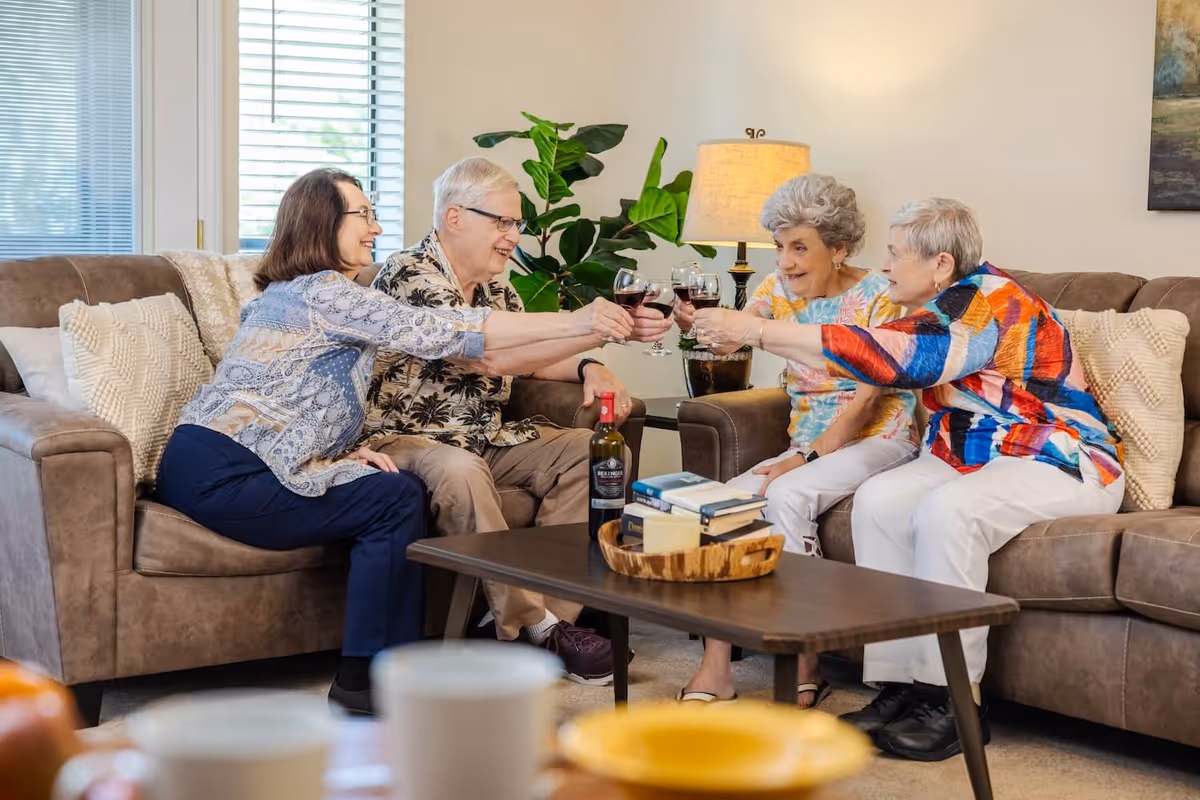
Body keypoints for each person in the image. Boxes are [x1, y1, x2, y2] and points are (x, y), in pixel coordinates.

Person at [155, 167, 637, 715]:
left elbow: (299, 405)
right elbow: (448, 334)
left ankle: (398, 668)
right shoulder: (327, 292)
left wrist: (337, 457)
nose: (376, 229)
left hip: (225, 460)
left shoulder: (302, 293)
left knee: (384, 488)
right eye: (362, 215)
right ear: (320, 222)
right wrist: (582, 320)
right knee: (393, 498)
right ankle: (372, 678)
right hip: (225, 467)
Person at [693, 197, 1124, 761]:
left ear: (940, 263)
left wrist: (754, 329)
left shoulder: (988, 302)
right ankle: (902, 686)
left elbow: (888, 357)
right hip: (966, 452)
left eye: (896, 255)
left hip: (1055, 456)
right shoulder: (937, 303)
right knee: (881, 499)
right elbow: (860, 350)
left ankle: (956, 700)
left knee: (951, 511)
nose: (887, 266)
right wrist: (751, 332)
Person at [362, 157, 672, 685]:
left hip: (485, 437)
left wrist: (591, 361)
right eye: (501, 222)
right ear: (454, 217)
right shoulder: (408, 273)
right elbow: (484, 354)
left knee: (594, 452)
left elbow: (533, 354)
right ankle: (539, 630)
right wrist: (594, 327)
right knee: (461, 471)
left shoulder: (494, 287)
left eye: (517, 225)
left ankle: (540, 626)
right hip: (407, 439)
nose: (512, 238)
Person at [672, 174, 917, 708]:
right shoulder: (775, 291)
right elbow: (726, 342)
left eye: (799, 248)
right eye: (780, 247)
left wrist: (803, 459)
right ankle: (715, 667)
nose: (784, 262)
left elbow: (871, 398)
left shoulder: (880, 296)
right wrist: (698, 325)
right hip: (805, 441)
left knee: (788, 494)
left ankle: (808, 658)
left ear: (839, 247)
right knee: (714, 504)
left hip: (881, 437)